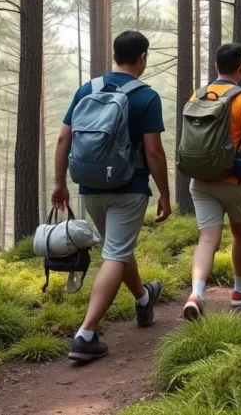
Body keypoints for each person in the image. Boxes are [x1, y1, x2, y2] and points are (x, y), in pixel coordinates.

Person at [52, 30, 171, 363]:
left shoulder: (87, 90)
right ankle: (86, 334)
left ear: (115, 55)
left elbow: (63, 139)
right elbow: (154, 152)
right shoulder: (146, 97)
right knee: (116, 254)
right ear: (142, 58)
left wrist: (60, 183)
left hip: (90, 188)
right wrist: (164, 193)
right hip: (128, 188)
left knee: (117, 247)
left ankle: (144, 298)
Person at [183, 43, 241, 321]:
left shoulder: (197, 95)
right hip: (236, 180)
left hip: (201, 179)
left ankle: (196, 294)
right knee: (240, 233)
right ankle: (239, 289)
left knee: (207, 238)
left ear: (216, 66)